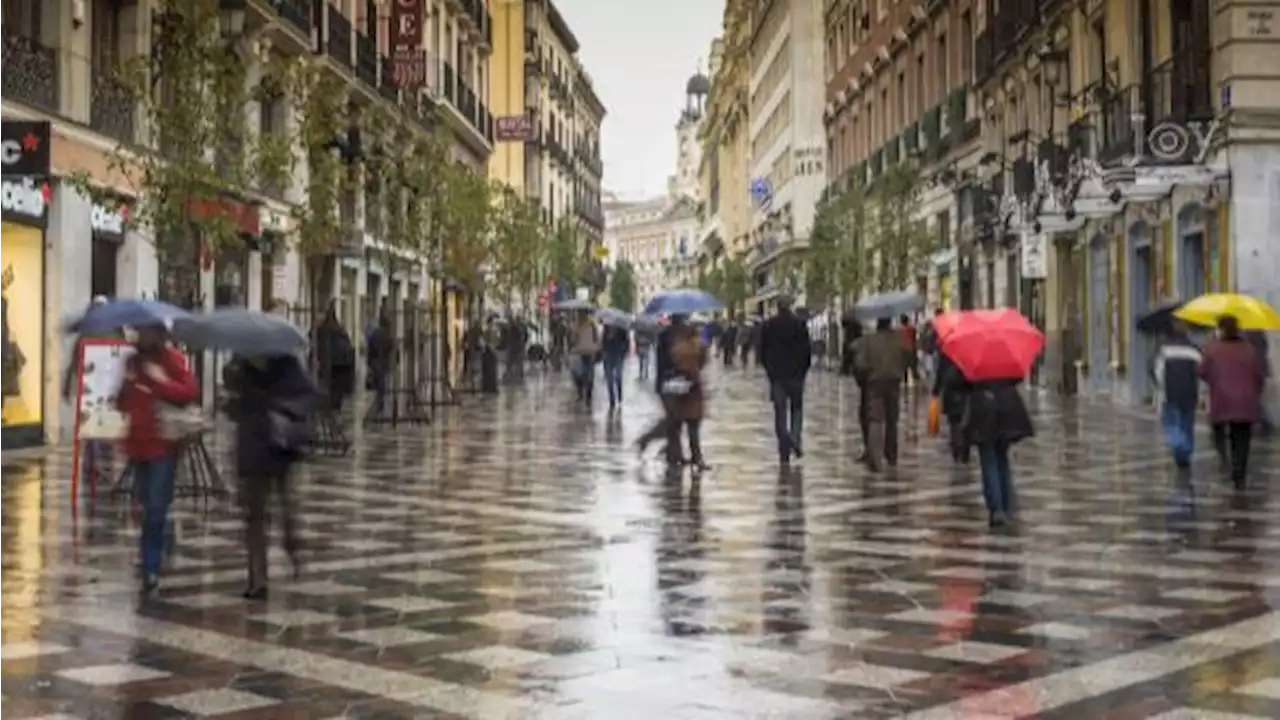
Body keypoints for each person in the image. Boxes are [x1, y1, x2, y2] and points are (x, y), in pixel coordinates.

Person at [224, 353, 317, 599]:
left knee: (285, 506)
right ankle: (257, 579)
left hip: (280, 447)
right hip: (253, 448)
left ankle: (293, 548)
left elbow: (308, 395)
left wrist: (276, 403)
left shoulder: (288, 365)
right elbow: (234, 406)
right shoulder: (240, 366)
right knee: (255, 514)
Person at [116, 324, 199, 592]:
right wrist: (127, 387)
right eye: (139, 334)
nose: (141, 337)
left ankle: (151, 566)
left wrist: (160, 381)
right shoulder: (132, 361)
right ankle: (153, 549)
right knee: (144, 504)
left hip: (163, 443)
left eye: (146, 333)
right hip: (138, 443)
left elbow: (189, 391)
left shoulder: (171, 359)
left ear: (159, 336)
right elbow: (122, 401)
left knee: (155, 505)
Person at [1200, 315, 1266, 486]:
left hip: (1221, 399)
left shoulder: (1212, 349)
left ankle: (1224, 460)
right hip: (1245, 401)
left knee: (1218, 431)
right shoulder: (1248, 349)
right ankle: (1239, 471)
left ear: (1220, 330)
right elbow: (1258, 375)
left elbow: (1201, 371)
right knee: (1242, 437)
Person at [637, 317, 708, 470]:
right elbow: (666, 361)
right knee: (675, 420)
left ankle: (675, 454)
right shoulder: (669, 337)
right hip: (673, 384)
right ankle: (674, 453)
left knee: (681, 420)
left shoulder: (687, 338)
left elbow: (700, 360)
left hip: (684, 383)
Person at [964, 379, 1034, 528]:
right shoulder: (1008, 360)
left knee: (989, 459)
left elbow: (961, 380)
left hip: (984, 405)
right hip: (1007, 406)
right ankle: (1007, 505)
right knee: (1002, 458)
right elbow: (1018, 377)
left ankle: (997, 510)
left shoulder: (977, 362)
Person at [759, 295, 812, 465]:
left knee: (779, 413)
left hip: (777, 376)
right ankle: (795, 438)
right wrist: (803, 370)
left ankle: (784, 445)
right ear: (789, 306)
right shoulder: (799, 324)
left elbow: (762, 351)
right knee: (796, 410)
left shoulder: (768, 325)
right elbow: (807, 351)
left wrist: (769, 370)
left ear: (777, 306)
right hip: (796, 375)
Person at [855, 317, 908, 471]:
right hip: (893, 381)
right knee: (892, 419)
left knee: (874, 418)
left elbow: (860, 364)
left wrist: (864, 377)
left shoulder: (868, 340)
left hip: (874, 382)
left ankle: (875, 457)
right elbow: (907, 355)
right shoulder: (898, 339)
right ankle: (891, 456)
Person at [1151, 321, 1202, 470]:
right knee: (1187, 423)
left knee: (1172, 422)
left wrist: (1160, 387)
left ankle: (1179, 447)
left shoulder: (1164, 349)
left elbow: (1157, 371)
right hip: (1190, 393)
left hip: (1170, 392)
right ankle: (1186, 450)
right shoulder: (1194, 349)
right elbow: (1202, 370)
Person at [931, 348, 971, 463]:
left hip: (951, 392)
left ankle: (956, 449)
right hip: (966, 392)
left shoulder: (947, 353)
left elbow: (940, 374)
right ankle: (964, 450)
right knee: (965, 422)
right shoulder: (970, 352)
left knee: (954, 422)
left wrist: (936, 391)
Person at [313, 302, 354, 411]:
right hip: (342, 363)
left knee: (329, 386)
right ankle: (335, 408)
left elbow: (315, 342)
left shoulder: (323, 330)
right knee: (337, 388)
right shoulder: (340, 329)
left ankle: (330, 408)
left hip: (330, 362)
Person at [365, 312, 393, 417]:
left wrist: (369, 361)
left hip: (376, 361)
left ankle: (378, 403)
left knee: (379, 383)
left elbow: (371, 348)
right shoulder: (387, 334)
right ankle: (379, 404)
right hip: (382, 361)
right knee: (381, 383)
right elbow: (390, 348)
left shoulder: (376, 333)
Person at [570, 312, 600, 404]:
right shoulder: (592, 325)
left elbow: (573, 340)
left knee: (577, 373)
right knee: (589, 373)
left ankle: (580, 393)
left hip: (580, 351)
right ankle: (588, 395)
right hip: (591, 351)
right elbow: (596, 338)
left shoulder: (576, 326)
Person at [600, 323, 630, 410]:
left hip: (618, 355)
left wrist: (624, 353)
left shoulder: (622, 329)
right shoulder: (606, 328)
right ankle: (612, 399)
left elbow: (626, 341)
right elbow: (603, 342)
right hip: (608, 356)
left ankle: (620, 396)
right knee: (609, 379)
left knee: (618, 377)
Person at [919, 308, 943, 381]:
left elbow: (926, 336)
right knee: (936, 365)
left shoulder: (933, 324)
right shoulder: (934, 324)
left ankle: (937, 378)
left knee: (936, 366)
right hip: (936, 349)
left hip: (936, 349)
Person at [899, 314, 920, 386]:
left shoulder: (899, 331)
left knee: (904, 368)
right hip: (911, 349)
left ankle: (905, 382)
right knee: (913, 367)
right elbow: (914, 339)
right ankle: (917, 382)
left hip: (903, 350)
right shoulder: (912, 329)